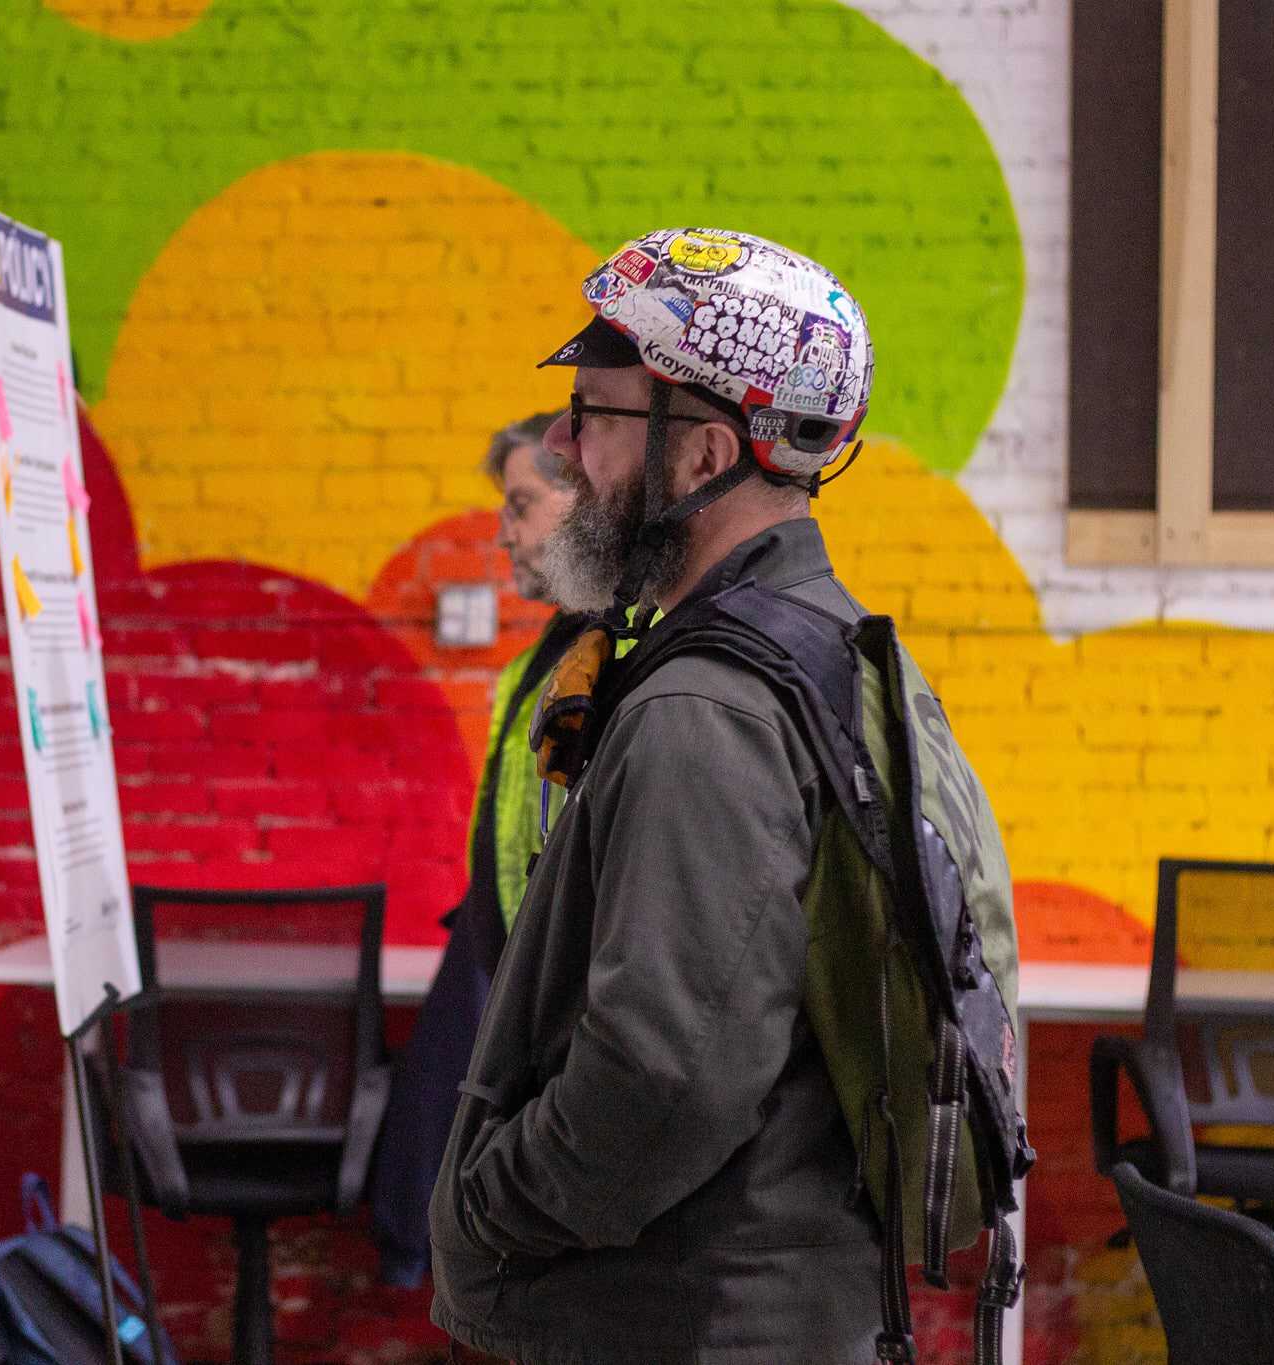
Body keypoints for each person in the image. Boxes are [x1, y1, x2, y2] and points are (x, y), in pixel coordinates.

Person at [429, 228, 1022, 1364]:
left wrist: (485, 1206)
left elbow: (663, 1076)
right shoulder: (834, 650)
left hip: (678, 1321)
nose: (559, 445)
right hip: (760, 1303)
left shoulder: (706, 711)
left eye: (593, 414)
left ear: (703, 456)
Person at [370, 413, 586, 1287]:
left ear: (586, 502)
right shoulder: (544, 663)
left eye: (522, 504)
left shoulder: (617, 665)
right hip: (508, 992)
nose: (503, 531)